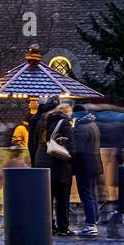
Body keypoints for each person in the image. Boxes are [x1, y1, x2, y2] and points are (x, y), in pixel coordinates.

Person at [34, 101, 76, 236]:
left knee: (46, 199)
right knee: (62, 199)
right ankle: (63, 228)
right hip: (59, 166)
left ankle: (48, 226)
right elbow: (71, 146)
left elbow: (34, 143)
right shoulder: (64, 123)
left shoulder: (41, 122)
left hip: (41, 164)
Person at [72, 111, 103, 236]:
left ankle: (90, 225)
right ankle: (94, 220)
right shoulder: (93, 124)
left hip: (85, 165)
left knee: (86, 195)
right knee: (92, 194)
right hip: (94, 163)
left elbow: (78, 149)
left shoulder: (82, 127)